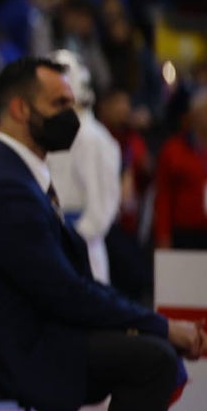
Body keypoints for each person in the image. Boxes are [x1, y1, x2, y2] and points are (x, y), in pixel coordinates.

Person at [0, 56, 207, 411]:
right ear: (20, 109)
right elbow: (64, 291)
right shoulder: (7, 188)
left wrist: (146, 323)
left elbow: (67, 284)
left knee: (151, 347)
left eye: (74, 103)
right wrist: (158, 325)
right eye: (60, 104)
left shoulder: (13, 174)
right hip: (8, 344)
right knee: (154, 358)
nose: (72, 115)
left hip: (21, 328)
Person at [46, 49, 122, 283]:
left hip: (80, 251)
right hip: (54, 243)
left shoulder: (91, 138)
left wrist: (70, 239)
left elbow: (101, 210)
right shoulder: (53, 135)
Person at [153, 86, 207, 250]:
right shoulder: (173, 149)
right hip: (186, 234)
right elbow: (164, 196)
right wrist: (163, 236)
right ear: (194, 116)